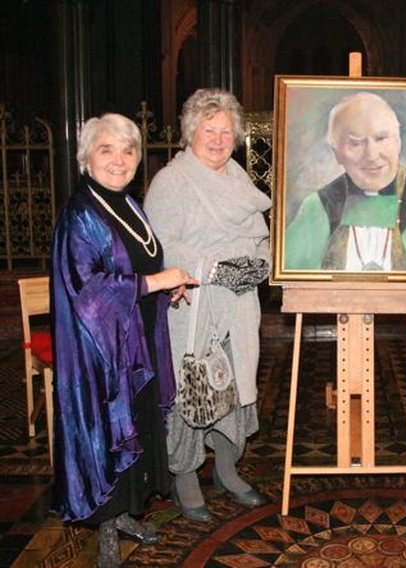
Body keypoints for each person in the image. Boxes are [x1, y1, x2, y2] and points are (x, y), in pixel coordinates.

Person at [51, 113, 198, 567]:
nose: (119, 159)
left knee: (137, 427)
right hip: (99, 355)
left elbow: (140, 262)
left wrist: (163, 288)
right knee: (110, 432)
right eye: (106, 150)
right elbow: (88, 291)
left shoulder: (129, 204)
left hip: (136, 343)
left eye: (128, 150)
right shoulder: (81, 213)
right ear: (86, 158)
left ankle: (126, 516)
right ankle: (107, 535)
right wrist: (153, 283)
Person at [144, 88, 271, 521]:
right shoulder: (171, 181)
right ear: (190, 131)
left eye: (226, 131)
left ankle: (228, 470)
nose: (218, 139)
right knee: (192, 390)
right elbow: (160, 245)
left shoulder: (238, 179)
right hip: (192, 303)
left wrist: (261, 266)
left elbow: (262, 236)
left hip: (238, 305)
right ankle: (185, 476)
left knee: (235, 388)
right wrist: (214, 269)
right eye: (208, 129)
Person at [285, 91, 406, 271]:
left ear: (398, 142)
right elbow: (294, 279)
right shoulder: (318, 207)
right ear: (336, 153)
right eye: (355, 143)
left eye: (381, 138)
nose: (371, 155)